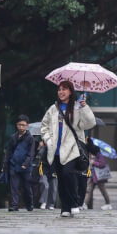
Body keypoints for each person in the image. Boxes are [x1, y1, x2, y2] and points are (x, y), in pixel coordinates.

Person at [40, 82, 96, 217]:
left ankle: (74, 202)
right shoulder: (53, 108)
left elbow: (89, 124)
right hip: (56, 149)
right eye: (59, 89)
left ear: (71, 91)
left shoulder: (77, 108)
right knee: (61, 179)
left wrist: (85, 108)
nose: (61, 92)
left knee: (67, 173)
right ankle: (65, 207)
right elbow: (44, 125)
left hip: (71, 148)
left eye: (64, 89)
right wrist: (48, 140)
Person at [1, 115, 36, 211]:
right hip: (14, 165)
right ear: (16, 125)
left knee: (26, 187)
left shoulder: (30, 138)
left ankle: (29, 204)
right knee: (14, 187)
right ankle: (14, 205)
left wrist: (26, 163)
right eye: (19, 125)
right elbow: (8, 152)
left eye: (23, 125)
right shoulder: (13, 137)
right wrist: (5, 165)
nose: (21, 127)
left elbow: (31, 153)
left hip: (26, 167)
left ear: (27, 126)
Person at [33, 137, 57, 209]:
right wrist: (39, 148)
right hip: (43, 167)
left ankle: (51, 204)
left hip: (54, 167)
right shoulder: (41, 146)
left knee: (53, 186)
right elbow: (36, 156)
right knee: (44, 184)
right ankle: (44, 201)